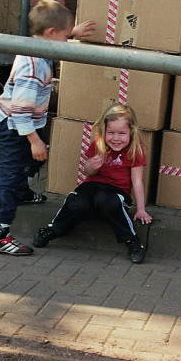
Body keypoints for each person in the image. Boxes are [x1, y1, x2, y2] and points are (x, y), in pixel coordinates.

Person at [0, 0, 95, 255]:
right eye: (65, 36)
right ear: (51, 33)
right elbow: (20, 110)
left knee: (38, 154)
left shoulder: (38, 45)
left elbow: (55, 40)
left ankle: (22, 190)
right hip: (15, 124)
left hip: (26, 122)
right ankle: (0, 234)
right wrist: (33, 140)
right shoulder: (33, 66)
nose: (67, 41)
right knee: (11, 175)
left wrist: (72, 32)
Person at [31, 104, 152, 264]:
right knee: (76, 201)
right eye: (111, 133)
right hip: (92, 186)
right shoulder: (99, 143)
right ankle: (54, 229)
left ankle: (131, 240)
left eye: (122, 133)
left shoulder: (136, 149)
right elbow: (87, 172)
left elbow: (137, 181)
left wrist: (141, 209)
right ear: (104, 130)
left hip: (117, 191)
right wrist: (91, 166)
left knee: (107, 201)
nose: (116, 138)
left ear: (131, 131)